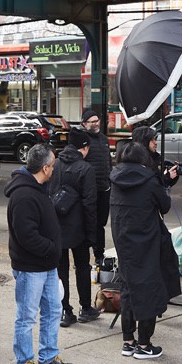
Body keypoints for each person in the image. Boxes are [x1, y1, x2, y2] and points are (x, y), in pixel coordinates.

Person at [4, 144, 76, 364]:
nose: (54, 170)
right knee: (26, 317)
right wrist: (51, 249)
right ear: (45, 168)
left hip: (46, 265)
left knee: (53, 310)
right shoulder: (23, 195)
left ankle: (48, 357)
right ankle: (24, 362)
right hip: (30, 267)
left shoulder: (39, 187)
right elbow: (27, 235)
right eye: (53, 166)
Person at [110, 141, 179, 360]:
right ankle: (144, 344)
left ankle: (128, 341)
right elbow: (165, 206)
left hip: (123, 241)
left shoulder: (115, 179)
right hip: (147, 241)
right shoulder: (149, 180)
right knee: (149, 289)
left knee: (127, 287)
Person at [50, 127, 100, 328]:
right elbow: (90, 204)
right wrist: (92, 233)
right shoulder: (85, 169)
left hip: (57, 227)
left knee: (61, 270)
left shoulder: (56, 164)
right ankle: (85, 308)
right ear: (84, 147)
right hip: (79, 229)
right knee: (82, 267)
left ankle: (65, 311)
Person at [81, 107, 111, 265]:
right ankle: (83, 257)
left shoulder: (104, 139)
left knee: (100, 224)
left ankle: (99, 255)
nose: (95, 124)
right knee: (87, 223)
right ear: (84, 124)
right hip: (89, 190)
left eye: (96, 121)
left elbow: (108, 163)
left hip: (104, 189)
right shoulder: (82, 140)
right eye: (91, 122)